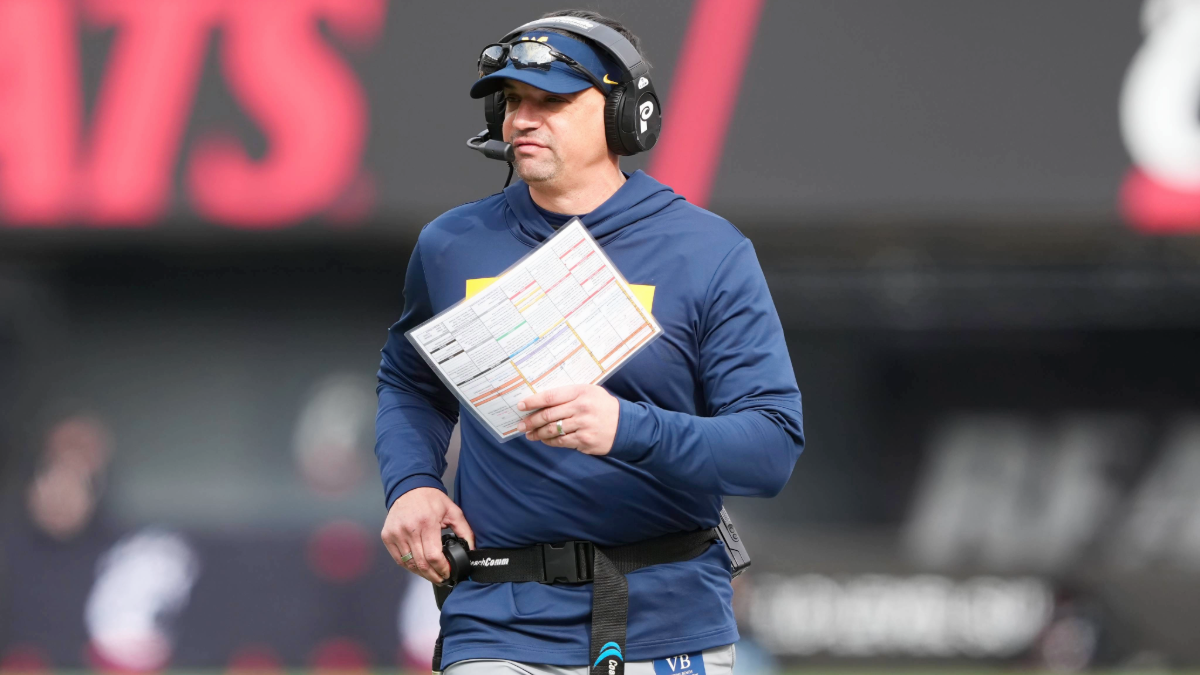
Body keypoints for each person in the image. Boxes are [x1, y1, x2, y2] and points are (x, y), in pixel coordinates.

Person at [375, 9, 803, 675]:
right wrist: (411, 483)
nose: (521, 120)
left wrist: (626, 428)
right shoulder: (450, 244)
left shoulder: (708, 251)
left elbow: (770, 448)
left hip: (667, 624)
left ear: (625, 114)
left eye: (551, 102)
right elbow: (411, 383)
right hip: (494, 623)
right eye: (512, 101)